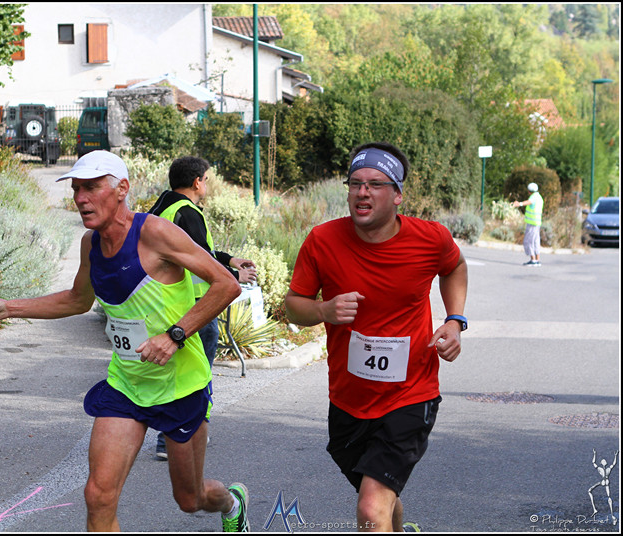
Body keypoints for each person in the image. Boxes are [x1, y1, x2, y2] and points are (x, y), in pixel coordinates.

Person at [0, 150, 250, 532]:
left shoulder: (154, 233)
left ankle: (232, 503)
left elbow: (226, 284)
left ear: (121, 189)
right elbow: (77, 300)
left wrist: (174, 335)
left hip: (180, 384)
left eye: (91, 188)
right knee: (98, 495)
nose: (80, 198)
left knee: (190, 499)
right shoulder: (91, 244)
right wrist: (8, 308)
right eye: (76, 189)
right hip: (127, 384)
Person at [284, 142, 468, 533]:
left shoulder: (430, 238)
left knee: (370, 506)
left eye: (375, 184)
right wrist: (323, 310)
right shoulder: (322, 240)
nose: (362, 192)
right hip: (349, 400)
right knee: (380, 498)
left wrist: (454, 320)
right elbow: (294, 306)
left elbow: (454, 267)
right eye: (355, 183)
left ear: (398, 195)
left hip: (411, 394)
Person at [148, 155, 257, 460]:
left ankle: (173, 436)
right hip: (196, 306)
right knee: (197, 375)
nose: (207, 184)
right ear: (197, 182)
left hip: (167, 304)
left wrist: (230, 259)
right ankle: (177, 438)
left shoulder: (164, 208)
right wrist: (234, 275)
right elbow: (201, 260)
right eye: (206, 179)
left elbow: (200, 251)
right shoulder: (187, 212)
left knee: (177, 374)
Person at [512, 183, 543, 266]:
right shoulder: (539, 197)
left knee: (529, 241)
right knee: (536, 241)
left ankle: (533, 260)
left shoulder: (534, 197)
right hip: (537, 222)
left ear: (529, 191)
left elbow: (529, 202)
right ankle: (537, 260)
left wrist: (519, 204)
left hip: (532, 222)